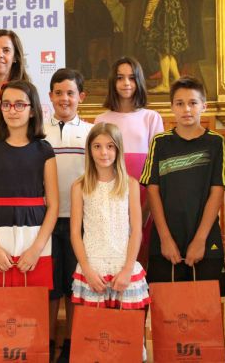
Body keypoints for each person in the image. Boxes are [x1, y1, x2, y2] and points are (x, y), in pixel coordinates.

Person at [140, 76, 225, 296]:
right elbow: (152, 191)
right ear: (172, 107)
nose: (186, 109)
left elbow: (217, 192)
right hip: (166, 240)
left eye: (193, 103)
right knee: (167, 306)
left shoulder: (215, 142)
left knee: (206, 307)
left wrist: (200, 240)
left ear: (204, 106)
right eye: (180, 103)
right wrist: (165, 239)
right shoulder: (160, 143)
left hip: (205, 238)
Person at [70, 123, 150, 361]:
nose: (103, 152)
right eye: (97, 146)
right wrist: (87, 269)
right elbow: (75, 233)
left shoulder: (130, 184)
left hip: (123, 268)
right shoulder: (79, 186)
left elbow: (136, 231)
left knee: (126, 339)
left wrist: (127, 269)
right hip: (92, 268)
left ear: (118, 150)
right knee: (95, 339)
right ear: (89, 150)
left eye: (109, 146)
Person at [0, 80, 58, 288]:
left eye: (19, 104)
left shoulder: (44, 150)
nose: (12, 110)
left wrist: (37, 248)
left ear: (32, 110)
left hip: (35, 234)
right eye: (6, 104)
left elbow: (54, 205)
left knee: (33, 299)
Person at [44, 68, 93, 363]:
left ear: (81, 97)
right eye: (59, 93)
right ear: (50, 96)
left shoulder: (90, 133)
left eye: (70, 93)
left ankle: (72, 346)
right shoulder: (38, 132)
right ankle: (47, 343)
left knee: (76, 286)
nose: (64, 98)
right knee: (49, 288)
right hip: (46, 222)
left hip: (80, 223)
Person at [95, 57, 164, 266]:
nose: (126, 83)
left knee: (143, 249)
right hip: (112, 195)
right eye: (120, 78)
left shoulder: (151, 117)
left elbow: (158, 166)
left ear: (139, 81)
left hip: (144, 193)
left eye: (132, 78)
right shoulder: (102, 120)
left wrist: (147, 205)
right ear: (113, 82)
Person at [141, 0, 188, 93]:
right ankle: (178, 81)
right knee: (168, 51)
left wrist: (147, 18)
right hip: (172, 15)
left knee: (163, 51)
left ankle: (165, 84)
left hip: (161, 16)